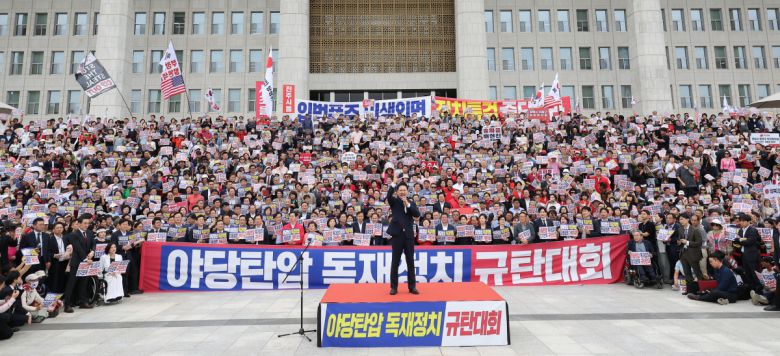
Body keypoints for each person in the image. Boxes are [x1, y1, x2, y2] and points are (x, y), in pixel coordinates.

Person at [386, 174, 420, 295]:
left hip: (409, 236)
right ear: (397, 191)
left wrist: (408, 204)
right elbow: (388, 195)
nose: (402, 192)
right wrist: (393, 183)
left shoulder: (411, 202)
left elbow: (417, 214)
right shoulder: (394, 201)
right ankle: (393, 287)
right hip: (397, 236)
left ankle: (412, 287)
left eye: (404, 190)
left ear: (407, 191)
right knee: (395, 262)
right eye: (400, 190)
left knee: (410, 261)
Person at [63, 215, 95, 313]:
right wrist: (86, 259)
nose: (86, 225)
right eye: (84, 223)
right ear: (79, 224)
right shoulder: (73, 234)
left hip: (86, 262)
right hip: (77, 262)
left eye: (88, 223)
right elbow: (78, 248)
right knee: (71, 284)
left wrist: (92, 251)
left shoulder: (89, 233)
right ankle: (67, 304)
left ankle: (83, 302)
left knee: (83, 283)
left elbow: (94, 244)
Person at [677, 213, 706, 294]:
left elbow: (699, 243)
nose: (681, 221)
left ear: (687, 219)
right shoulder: (680, 229)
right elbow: (680, 239)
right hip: (683, 253)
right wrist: (679, 242)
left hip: (693, 254)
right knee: (687, 272)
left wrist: (687, 242)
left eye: (682, 219)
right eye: (679, 219)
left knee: (697, 272)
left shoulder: (695, 230)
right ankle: (690, 290)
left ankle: (702, 289)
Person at [735, 213, 763, 293]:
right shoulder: (740, 230)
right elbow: (739, 241)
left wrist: (740, 239)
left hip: (752, 255)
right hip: (744, 254)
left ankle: (759, 290)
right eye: (741, 221)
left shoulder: (753, 230)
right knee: (747, 273)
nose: (741, 223)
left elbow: (750, 241)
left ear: (748, 222)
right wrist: (739, 240)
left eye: (743, 221)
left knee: (755, 273)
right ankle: (752, 290)